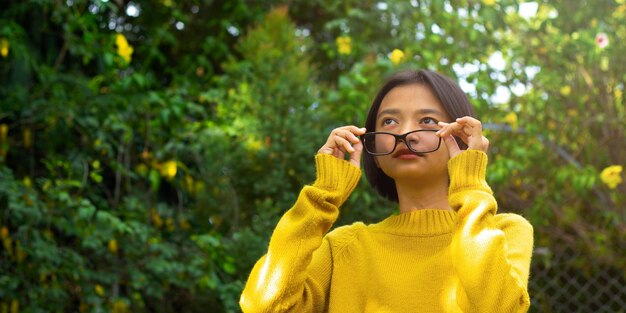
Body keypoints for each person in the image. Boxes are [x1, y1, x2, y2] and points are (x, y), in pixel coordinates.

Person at [239, 69, 533, 312]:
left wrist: (469, 182)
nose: (403, 134)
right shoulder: (344, 247)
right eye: (389, 121)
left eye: (427, 121)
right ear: (374, 151)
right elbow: (264, 305)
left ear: (463, 137)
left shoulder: (505, 232)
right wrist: (323, 193)